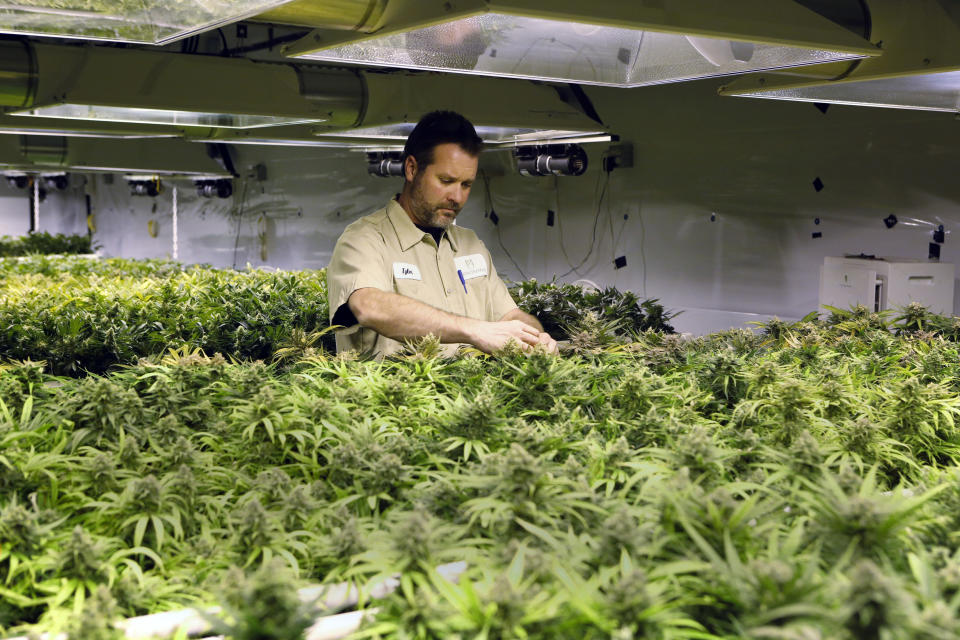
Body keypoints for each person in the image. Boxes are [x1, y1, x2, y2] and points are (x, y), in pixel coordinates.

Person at [326, 110, 557, 358]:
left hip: (475, 396)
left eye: (466, 184)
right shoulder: (364, 239)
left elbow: (508, 315)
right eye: (446, 181)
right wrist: (474, 330)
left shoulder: (470, 244)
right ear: (412, 169)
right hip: (395, 395)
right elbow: (369, 306)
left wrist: (535, 336)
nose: (457, 197)